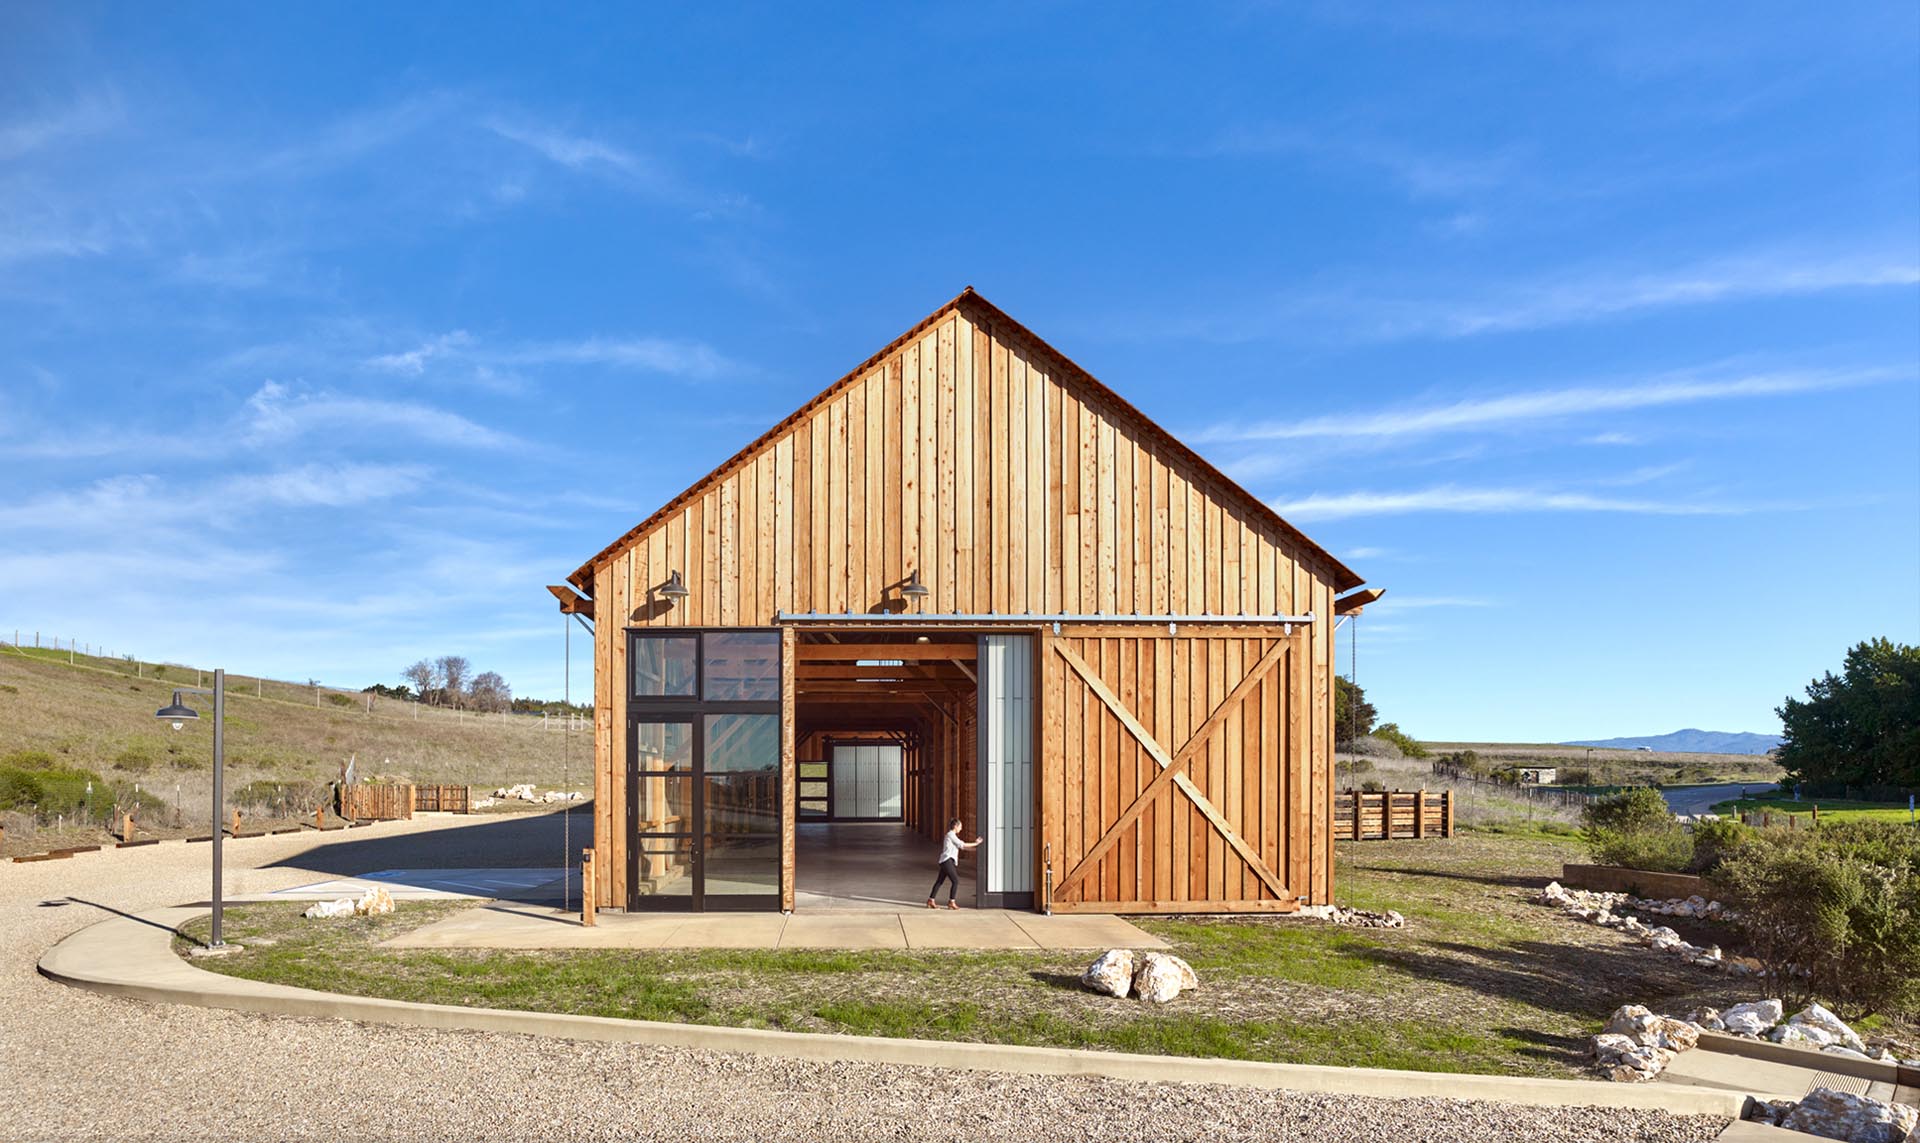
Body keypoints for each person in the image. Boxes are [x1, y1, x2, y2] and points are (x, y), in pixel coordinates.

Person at [927, 817, 981, 909]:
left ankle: (930, 900)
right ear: (955, 826)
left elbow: (962, 847)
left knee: (939, 881)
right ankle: (951, 902)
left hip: (946, 861)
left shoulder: (953, 836)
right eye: (960, 826)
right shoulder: (950, 835)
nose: (961, 828)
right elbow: (962, 844)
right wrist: (975, 843)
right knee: (955, 881)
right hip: (947, 861)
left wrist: (975, 850)